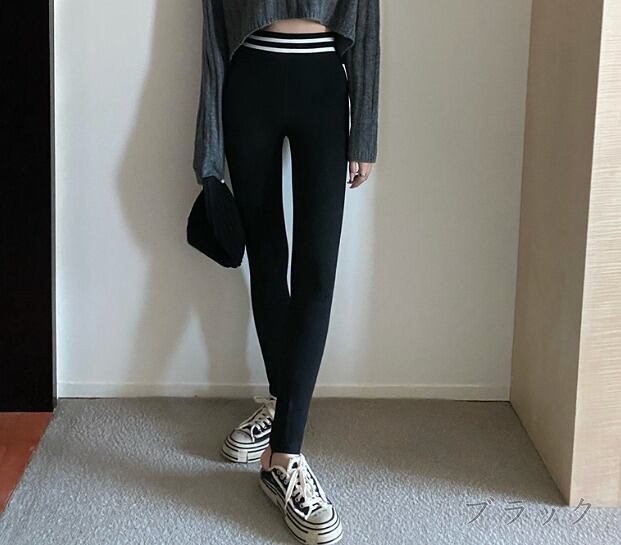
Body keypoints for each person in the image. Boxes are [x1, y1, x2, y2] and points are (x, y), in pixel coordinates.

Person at [193, 2, 380, 543]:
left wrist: (365, 133)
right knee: (268, 259)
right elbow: (212, 34)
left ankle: (284, 453)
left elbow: (367, 23)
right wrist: (209, 154)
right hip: (249, 78)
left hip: (323, 81)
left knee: (318, 268)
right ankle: (281, 406)